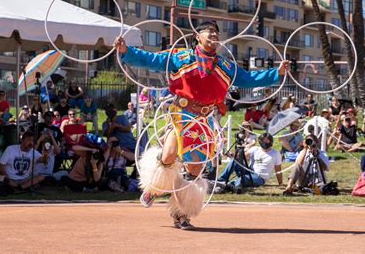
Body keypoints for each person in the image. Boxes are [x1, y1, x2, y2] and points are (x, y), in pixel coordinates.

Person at [116, 20, 289, 229]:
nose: (215, 36)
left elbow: (248, 78)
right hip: (182, 114)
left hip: (204, 120)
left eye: (217, 33)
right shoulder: (180, 57)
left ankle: (182, 214)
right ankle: (153, 188)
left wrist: (276, 73)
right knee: (169, 154)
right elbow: (152, 59)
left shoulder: (225, 66)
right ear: (197, 36)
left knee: (194, 169)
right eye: (210, 32)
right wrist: (127, 51)